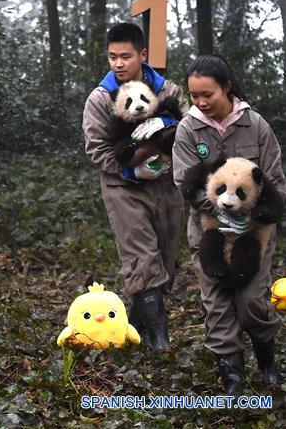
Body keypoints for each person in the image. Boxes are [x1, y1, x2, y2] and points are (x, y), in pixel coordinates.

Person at [172, 55, 285, 394]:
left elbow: (276, 179)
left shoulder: (256, 126)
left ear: (227, 88)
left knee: (251, 298)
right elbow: (184, 181)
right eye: (194, 95)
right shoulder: (189, 129)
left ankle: (266, 354)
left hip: (256, 232)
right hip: (208, 229)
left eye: (208, 94)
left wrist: (252, 215)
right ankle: (231, 372)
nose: (201, 102)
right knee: (217, 296)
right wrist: (222, 212)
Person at [82, 22, 187, 350]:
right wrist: (133, 169)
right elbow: (96, 148)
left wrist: (167, 124)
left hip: (167, 183)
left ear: (142, 55)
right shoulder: (100, 98)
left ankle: (134, 332)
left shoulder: (167, 90)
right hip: (123, 186)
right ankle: (160, 344)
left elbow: (191, 125)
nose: (118, 63)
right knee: (141, 258)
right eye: (112, 56)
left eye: (125, 56)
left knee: (164, 259)